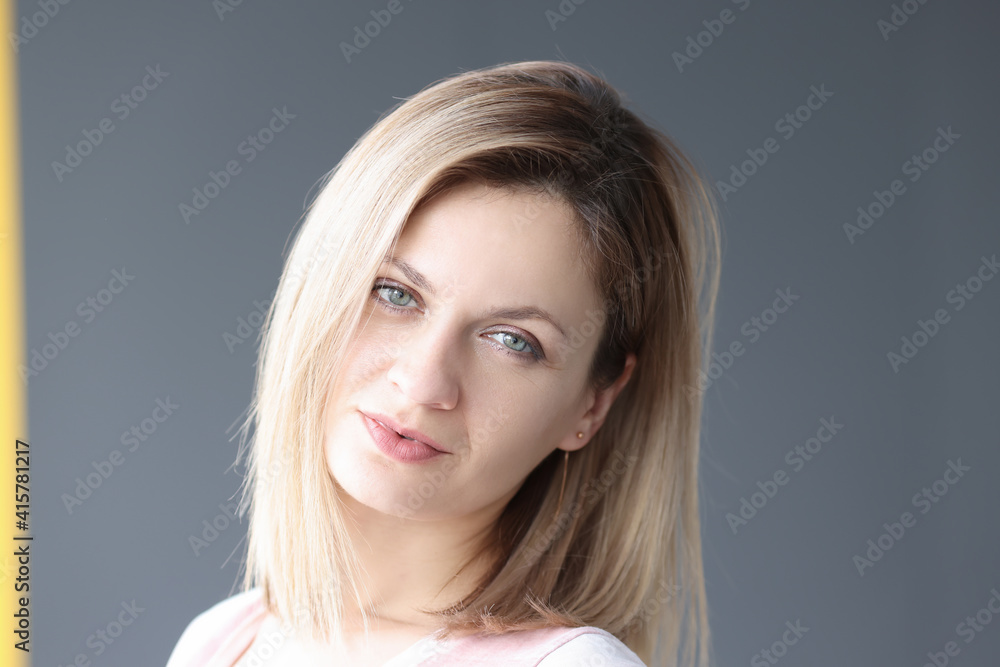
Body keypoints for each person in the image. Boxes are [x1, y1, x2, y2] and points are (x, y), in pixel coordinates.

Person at [166, 59, 721, 667]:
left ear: (592, 403)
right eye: (395, 293)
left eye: (512, 341)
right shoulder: (224, 639)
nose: (424, 382)